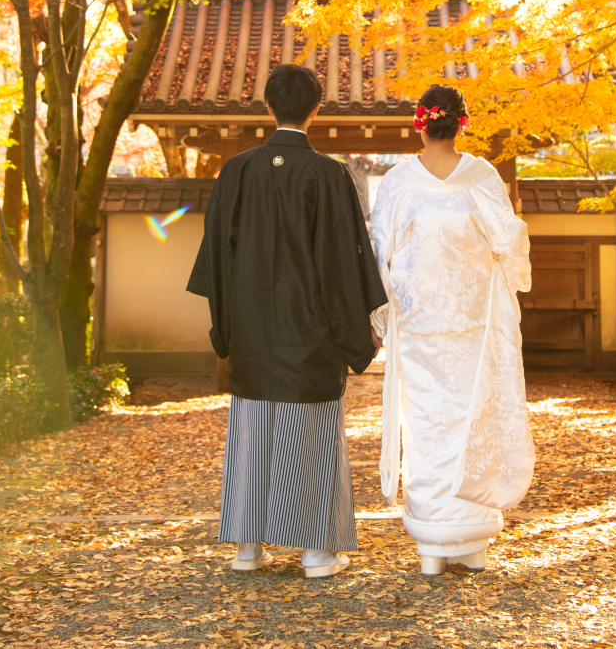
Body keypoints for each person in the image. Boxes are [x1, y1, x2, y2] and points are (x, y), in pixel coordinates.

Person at [187, 64, 387, 579]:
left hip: (253, 330)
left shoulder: (236, 172)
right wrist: (357, 331)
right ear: (316, 108)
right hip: (310, 332)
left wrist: (226, 326)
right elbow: (344, 263)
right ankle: (317, 553)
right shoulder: (328, 174)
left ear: (267, 105)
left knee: (252, 437)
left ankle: (247, 550)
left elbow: (218, 260)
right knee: (311, 439)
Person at [370, 83, 535, 576]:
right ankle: (468, 541)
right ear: (461, 122)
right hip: (471, 321)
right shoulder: (481, 175)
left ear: (419, 122)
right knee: (470, 420)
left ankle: (434, 544)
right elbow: (509, 238)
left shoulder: (398, 180)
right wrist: (509, 281)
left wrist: (379, 316)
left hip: (421, 322)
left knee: (426, 428)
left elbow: (380, 252)